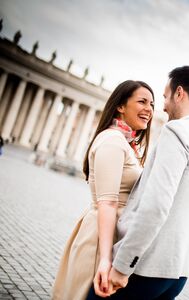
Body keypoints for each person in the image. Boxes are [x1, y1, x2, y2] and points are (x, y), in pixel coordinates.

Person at [87, 66, 189, 299]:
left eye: (166, 97)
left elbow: (156, 207)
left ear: (179, 93)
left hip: (145, 268)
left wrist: (122, 266)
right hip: (179, 271)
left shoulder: (177, 131)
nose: (164, 106)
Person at [52, 80, 155, 300]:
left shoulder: (123, 142)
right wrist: (106, 259)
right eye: (142, 101)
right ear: (120, 106)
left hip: (109, 234)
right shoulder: (112, 141)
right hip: (100, 239)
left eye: (152, 104)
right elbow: (107, 203)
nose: (149, 109)